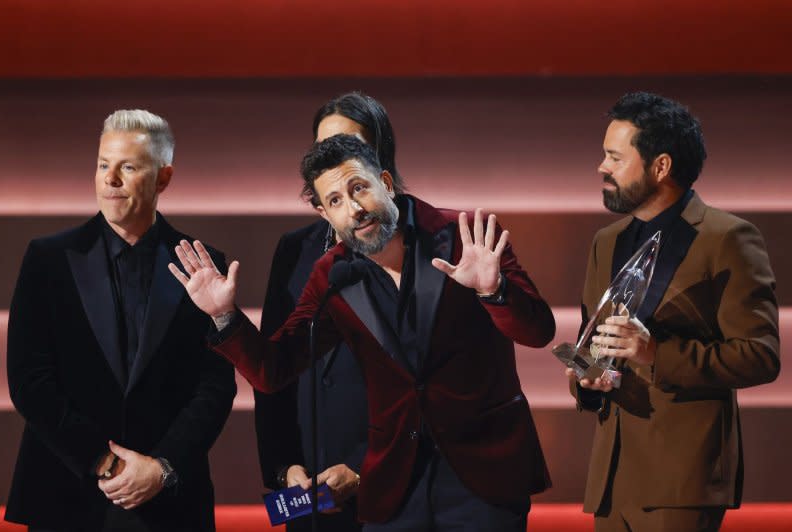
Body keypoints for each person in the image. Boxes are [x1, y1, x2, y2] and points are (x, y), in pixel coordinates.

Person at [170, 134, 556, 530]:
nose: (354, 209)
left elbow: (538, 330)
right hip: (395, 481)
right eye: (335, 201)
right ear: (324, 214)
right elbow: (275, 368)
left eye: (359, 188)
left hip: (484, 474)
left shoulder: (463, 235)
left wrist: (493, 291)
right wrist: (224, 315)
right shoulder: (332, 274)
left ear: (385, 183)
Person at [5, 110, 236, 531]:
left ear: (163, 178)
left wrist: (161, 468)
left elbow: (215, 385)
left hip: (170, 503)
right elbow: (28, 379)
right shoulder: (48, 260)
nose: (109, 180)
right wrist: (104, 462)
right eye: (102, 165)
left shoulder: (202, 263)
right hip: (66, 497)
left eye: (127, 167)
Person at [569, 92, 780, 531]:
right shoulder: (605, 240)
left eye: (614, 157)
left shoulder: (728, 238)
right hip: (609, 481)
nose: (601, 168)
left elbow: (760, 356)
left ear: (660, 166)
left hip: (681, 481)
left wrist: (654, 354)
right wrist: (586, 380)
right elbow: (595, 348)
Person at [254, 92, 403, 531]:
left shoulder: (421, 244)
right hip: (311, 489)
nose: (334, 160)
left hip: (394, 485)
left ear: (381, 163)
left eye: (350, 147)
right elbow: (273, 370)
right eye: (323, 149)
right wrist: (285, 470)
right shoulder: (294, 249)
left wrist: (361, 467)